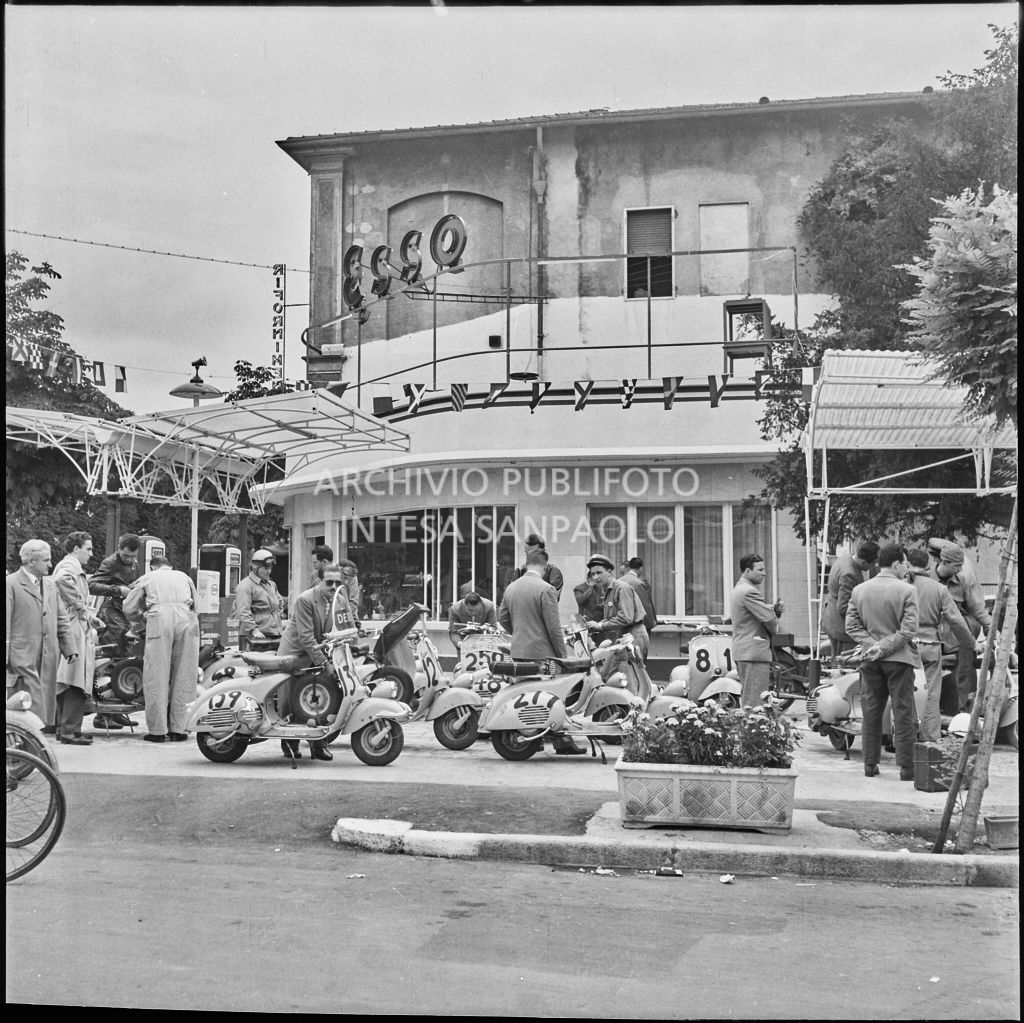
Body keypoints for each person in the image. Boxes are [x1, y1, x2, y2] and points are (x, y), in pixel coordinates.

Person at [845, 542, 920, 780]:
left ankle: (870, 764)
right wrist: (885, 647)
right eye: (905, 564)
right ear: (896, 563)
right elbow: (909, 630)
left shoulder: (860, 590)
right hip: (899, 658)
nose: (906, 569)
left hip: (869, 659)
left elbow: (851, 626)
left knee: (872, 711)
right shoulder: (907, 591)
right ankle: (907, 767)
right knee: (904, 711)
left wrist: (873, 646)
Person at [497, 548, 581, 755]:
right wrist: (562, 655)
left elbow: (503, 619)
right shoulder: (546, 589)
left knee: (525, 696)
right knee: (552, 696)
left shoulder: (511, 588)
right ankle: (562, 742)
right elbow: (553, 628)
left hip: (518, 651)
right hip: (544, 654)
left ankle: (534, 738)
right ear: (545, 567)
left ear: (526, 565)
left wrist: (519, 634)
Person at [275, 563, 352, 761]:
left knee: (321, 700)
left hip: (318, 655)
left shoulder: (340, 600)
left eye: (337, 583)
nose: (334, 587)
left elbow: (347, 627)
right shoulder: (305, 600)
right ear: (319, 581)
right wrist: (326, 663)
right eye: (329, 583)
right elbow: (306, 638)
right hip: (295, 655)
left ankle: (319, 745)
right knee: (290, 702)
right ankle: (289, 744)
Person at [123, 555, 200, 744]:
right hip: (186, 618)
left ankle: (157, 731)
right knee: (185, 674)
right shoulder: (184, 577)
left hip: (159, 617)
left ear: (153, 567)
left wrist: (142, 619)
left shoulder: (149, 577)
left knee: (156, 674)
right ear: (170, 566)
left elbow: (128, 607)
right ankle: (179, 729)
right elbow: (197, 605)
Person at [6, 539, 77, 734]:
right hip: (21, 655)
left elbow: (61, 617)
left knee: (42, 701)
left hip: (47, 654)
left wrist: (69, 647)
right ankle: (24, 749)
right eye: (46, 560)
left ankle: (33, 746)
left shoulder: (51, 585)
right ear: (30, 561)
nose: (50, 564)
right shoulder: (11, 583)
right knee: (25, 702)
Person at [906, 548, 974, 743]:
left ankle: (905, 737)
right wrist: (970, 643)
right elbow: (956, 620)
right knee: (932, 694)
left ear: (908, 563)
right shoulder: (938, 589)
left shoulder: (900, 586)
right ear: (928, 565)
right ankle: (930, 739)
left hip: (905, 645)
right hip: (930, 645)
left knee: (906, 692)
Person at [53, 532, 105, 744]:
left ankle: (66, 727)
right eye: (88, 549)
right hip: (74, 628)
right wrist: (82, 608)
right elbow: (62, 580)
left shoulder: (70, 565)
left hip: (73, 625)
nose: (91, 554)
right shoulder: (70, 566)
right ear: (76, 549)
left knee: (68, 679)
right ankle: (69, 730)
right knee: (75, 679)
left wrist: (88, 616)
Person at [928, 539, 992, 712]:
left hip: (959, 633)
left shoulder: (964, 579)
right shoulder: (928, 580)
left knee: (963, 674)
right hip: (933, 635)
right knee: (931, 676)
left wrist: (991, 628)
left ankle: (963, 714)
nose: (960, 569)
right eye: (956, 566)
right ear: (944, 562)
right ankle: (935, 713)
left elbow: (978, 609)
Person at [88, 532, 142, 728]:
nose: (129, 559)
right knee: (109, 662)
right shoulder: (110, 563)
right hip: (111, 616)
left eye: (133, 556)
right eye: (126, 555)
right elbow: (91, 585)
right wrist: (117, 590)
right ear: (119, 548)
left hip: (123, 616)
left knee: (121, 660)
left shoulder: (134, 564)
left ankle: (115, 709)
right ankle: (102, 714)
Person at [729, 553, 784, 708]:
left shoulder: (740, 589)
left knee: (750, 701)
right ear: (747, 571)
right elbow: (768, 618)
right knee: (755, 704)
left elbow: (760, 613)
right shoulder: (749, 591)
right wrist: (775, 621)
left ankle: (751, 731)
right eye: (760, 569)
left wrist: (773, 610)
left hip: (746, 651)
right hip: (753, 653)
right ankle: (753, 732)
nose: (764, 573)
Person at [821, 541, 880, 662]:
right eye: (873, 564)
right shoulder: (850, 574)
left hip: (831, 619)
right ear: (864, 562)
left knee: (837, 661)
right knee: (846, 663)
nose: (873, 567)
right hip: (841, 628)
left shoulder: (845, 559)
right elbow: (844, 607)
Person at [584, 555, 649, 659]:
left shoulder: (621, 588)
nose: (595, 577)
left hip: (634, 635)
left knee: (633, 672)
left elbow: (626, 618)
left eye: (599, 573)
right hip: (624, 634)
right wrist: (596, 625)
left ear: (609, 572)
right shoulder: (607, 590)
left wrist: (600, 626)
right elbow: (612, 616)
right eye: (593, 574)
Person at [234, 549, 285, 651]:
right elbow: (243, 612)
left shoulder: (271, 584)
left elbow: (279, 603)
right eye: (265, 568)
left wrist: (277, 621)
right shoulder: (245, 586)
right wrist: (254, 630)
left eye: (270, 568)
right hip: (255, 638)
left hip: (274, 635)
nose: (269, 571)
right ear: (255, 568)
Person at [511, 534, 564, 599]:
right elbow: (512, 597)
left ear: (543, 551)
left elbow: (551, 599)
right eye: (527, 553)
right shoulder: (520, 571)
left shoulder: (553, 572)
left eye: (534, 552)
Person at [620, 557, 658, 634]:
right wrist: (650, 623)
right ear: (640, 568)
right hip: (637, 626)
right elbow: (645, 605)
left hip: (622, 624)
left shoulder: (618, 582)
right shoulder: (639, 583)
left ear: (629, 567)